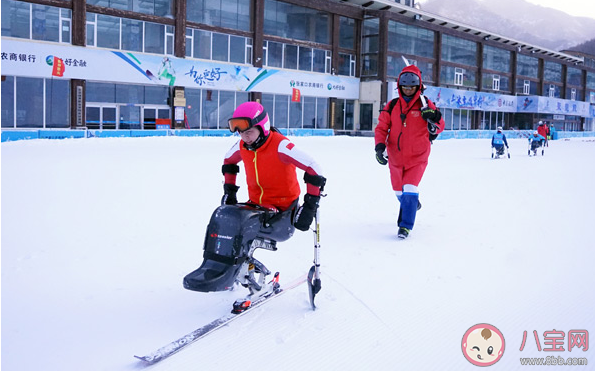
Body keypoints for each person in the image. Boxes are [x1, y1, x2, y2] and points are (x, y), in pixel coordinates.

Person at [183, 101, 326, 312]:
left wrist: (310, 205)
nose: (244, 137)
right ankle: (215, 267)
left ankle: (235, 273)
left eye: (249, 132)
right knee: (222, 214)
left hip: (282, 215)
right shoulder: (243, 145)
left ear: (263, 127)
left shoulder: (280, 146)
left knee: (239, 223)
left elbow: (315, 168)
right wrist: (229, 192)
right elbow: (228, 161)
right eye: (241, 133)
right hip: (257, 207)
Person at [374, 65, 445, 239]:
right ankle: (411, 204)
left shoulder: (425, 104)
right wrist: (379, 147)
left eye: (411, 87)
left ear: (418, 86)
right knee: (399, 191)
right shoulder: (392, 106)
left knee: (410, 188)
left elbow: (439, 127)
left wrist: (434, 116)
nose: (408, 90)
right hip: (395, 157)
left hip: (418, 157)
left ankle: (405, 226)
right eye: (405, 87)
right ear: (399, 86)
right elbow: (382, 128)